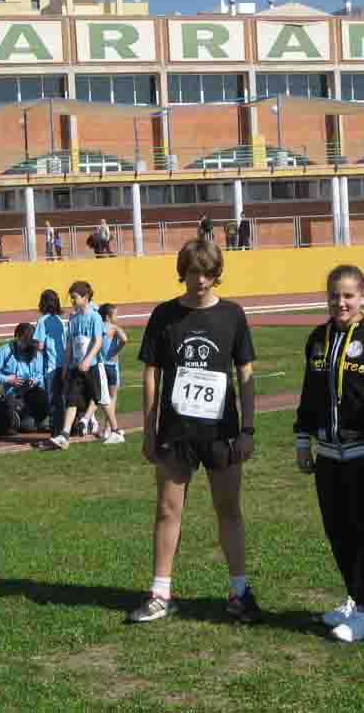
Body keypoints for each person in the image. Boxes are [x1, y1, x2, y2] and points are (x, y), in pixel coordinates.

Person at [127, 238, 259, 624]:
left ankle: (239, 592)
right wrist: (148, 429)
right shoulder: (164, 315)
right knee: (168, 510)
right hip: (176, 431)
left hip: (222, 433)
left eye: (206, 272)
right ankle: (160, 592)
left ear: (217, 274)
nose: (199, 279)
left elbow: (245, 373)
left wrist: (248, 429)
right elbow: (152, 373)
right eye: (192, 271)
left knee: (229, 509)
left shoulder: (233, 315)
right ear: (181, 271)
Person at [294, 265, 364, 643]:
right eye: (333, 295)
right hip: (329, 454)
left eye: (348, 295)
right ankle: (358, 600)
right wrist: (302, 440)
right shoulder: (317, 338)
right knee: (337, 530)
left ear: (363, 295)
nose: (340, 303)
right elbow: (310, 394)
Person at [45, 281, 122, 449]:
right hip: (76, 368)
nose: (72, 301)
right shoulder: (72, 318)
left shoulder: (94, 317)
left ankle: (116, 431)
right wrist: (66, 366)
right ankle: (64, 436)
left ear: (85, 297)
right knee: (71, 400)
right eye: (71, 298)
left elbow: (98, 341)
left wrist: (88, 359)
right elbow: (70, 346)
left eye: (75, 297)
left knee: (103, 399)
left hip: (93, 366)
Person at [0, 322, 49, 436]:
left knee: (43, 397)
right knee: (26, 426)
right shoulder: (5, 351)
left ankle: (33, 420)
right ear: (17, 336)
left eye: (29, 342)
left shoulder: (36, 354)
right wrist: (8, 379)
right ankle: (13, 418)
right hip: (13, 396)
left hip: (32, 395)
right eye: (23, 341)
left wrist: (36, 381)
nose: (25, 345)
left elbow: (42, 376)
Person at [34, 289, 67, 441]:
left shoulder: (42, 321)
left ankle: (56, 433)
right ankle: (62, 430)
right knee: (61, 399)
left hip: (51, 366)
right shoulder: (60, 320)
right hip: (63, 364)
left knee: (53, 400)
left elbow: (40, 345)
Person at [94, 302, 128, 442]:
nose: (117, 318)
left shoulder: (97, 327)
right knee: (112, 397)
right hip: (111, 365)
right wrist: (116, 350)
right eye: (115, 315)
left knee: (102, 398)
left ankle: (103, 427)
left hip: (99, 365)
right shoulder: (114, 327)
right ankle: (108, 428)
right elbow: (125, 339)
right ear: (108, 317)